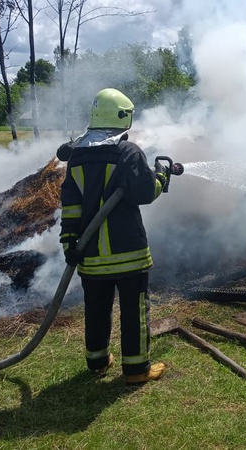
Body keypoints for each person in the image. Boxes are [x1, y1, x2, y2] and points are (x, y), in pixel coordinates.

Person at [58, 88, 169, 384]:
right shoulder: (128, 152)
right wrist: (162, 179)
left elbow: (70, 205)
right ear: (124, 117)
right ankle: (136, 369)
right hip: (128, 252)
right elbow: (146, 192)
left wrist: (69, 242)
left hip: (90, 255)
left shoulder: (78, 157)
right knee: (134, 311)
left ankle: (97, 361)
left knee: (96, 309)